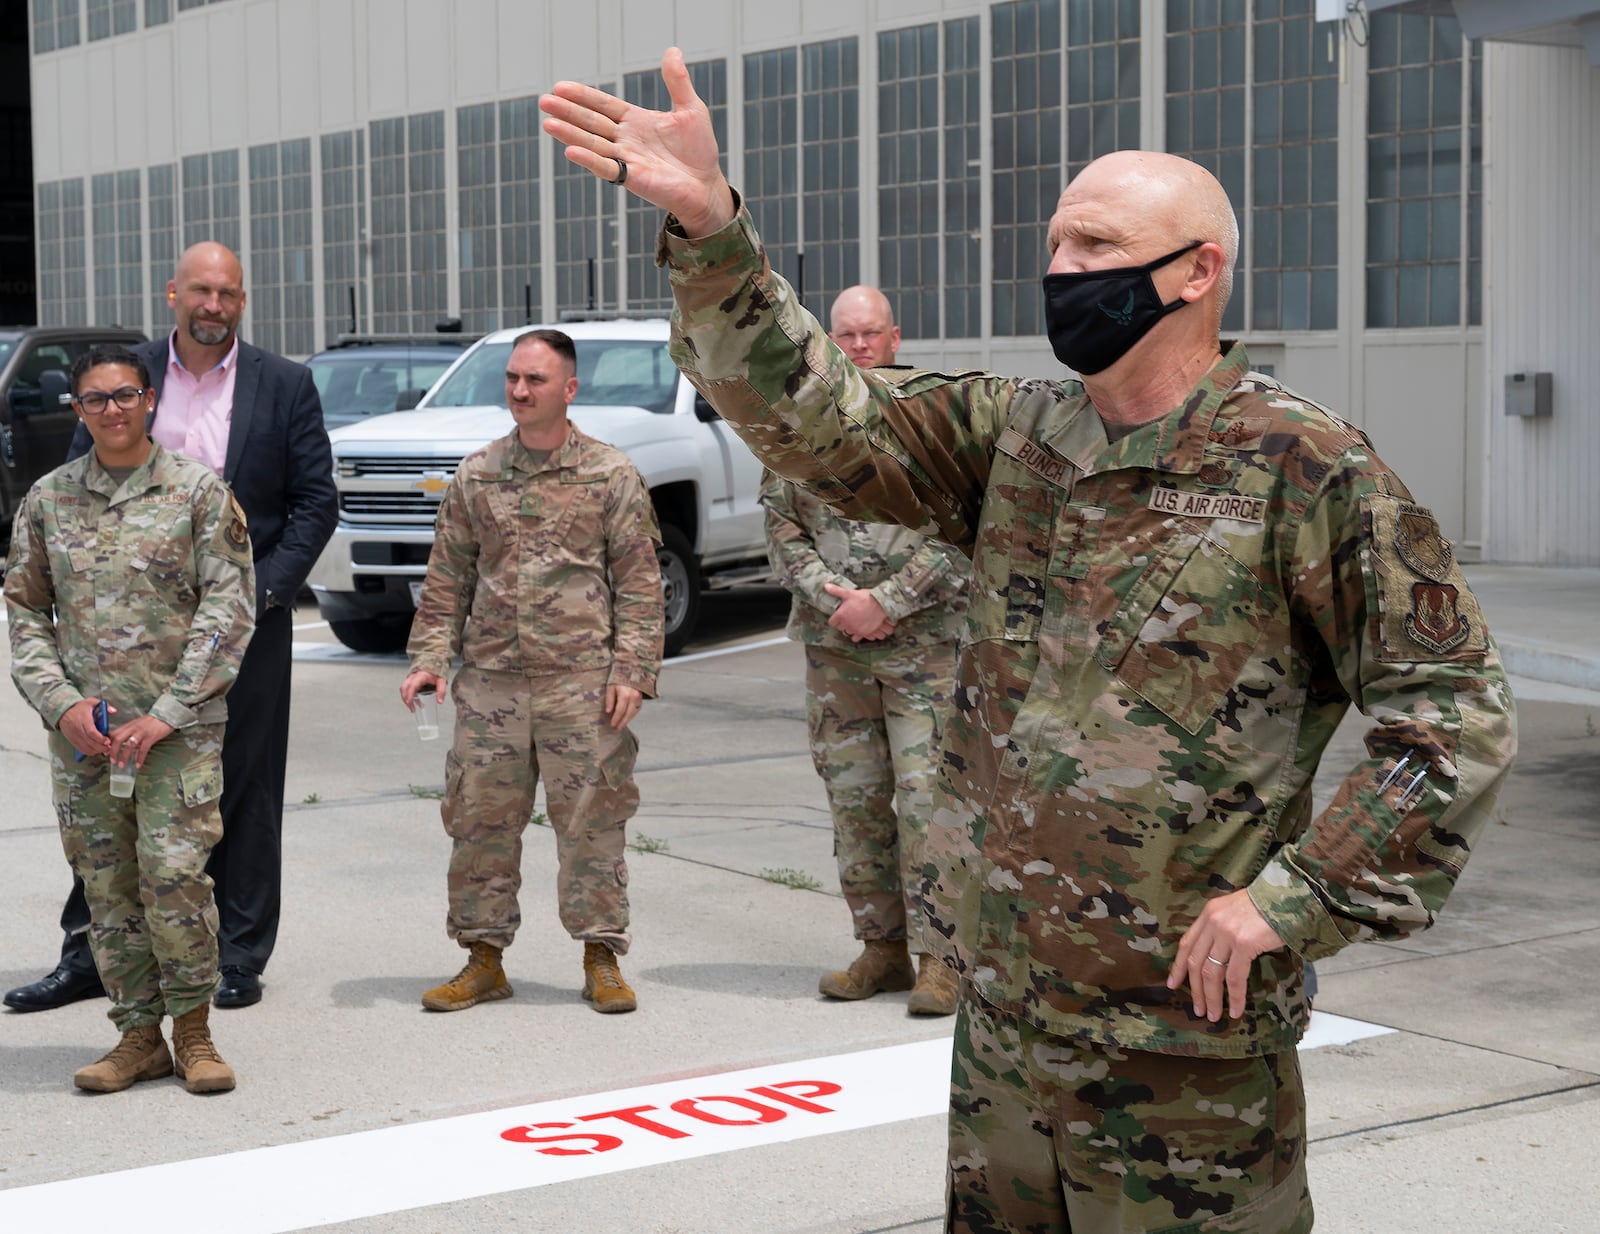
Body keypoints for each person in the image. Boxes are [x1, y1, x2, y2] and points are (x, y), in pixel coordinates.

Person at [541, 54, 1518, 1232]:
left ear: (1198, 270)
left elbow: (1452, 716)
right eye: (1056, 245)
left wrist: (1297, 899)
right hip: (1006, 1025)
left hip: (1184, 1053)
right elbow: (812, 413)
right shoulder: (1016, 439)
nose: (1063, 271)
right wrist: (709, 227)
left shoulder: (1299, 467)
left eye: (1097, 248)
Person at [3, 241, 337, 1014]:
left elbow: (316, 502)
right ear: (172, 294)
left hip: (244, 627)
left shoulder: (284, 385)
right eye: (200, 291)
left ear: (242, 301)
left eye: (227, 292)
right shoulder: (125, 378)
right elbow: (85, 487)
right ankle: (89, 953)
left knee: (244, 789)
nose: (212, 304)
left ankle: (238, 953)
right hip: (126, 631)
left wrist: (261, 596)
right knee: (105, 791)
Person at [4, 345, 256, 1092]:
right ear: (76, 410)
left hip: (176, 736)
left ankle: (197, 1034)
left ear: (149, 400)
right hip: (87, 740)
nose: (111, 410)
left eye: (123, 395)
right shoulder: (48, 500)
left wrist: (171, 711)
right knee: (108, 888)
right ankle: (138, 1037)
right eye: (94, 399)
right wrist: (62, 704)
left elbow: (228, 609)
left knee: (175, 879)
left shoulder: (198, 494)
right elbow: (23, 610)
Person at [401, 328, 664, 1016]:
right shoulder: (477, 473)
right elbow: (448, 577)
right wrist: (430, 660)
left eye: (535, 380)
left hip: (582, 684)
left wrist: (632, 670)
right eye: (513, 378)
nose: (520, 391)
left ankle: (601, 956)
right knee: (480, 822)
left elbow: (640, 581)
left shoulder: (610, 474)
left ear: (569, 389)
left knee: (592, 823)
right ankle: (483, 958)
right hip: (491, 685)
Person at [762, 285, 969, 1016]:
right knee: (855, 802)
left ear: (895, 337)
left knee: (928, 802)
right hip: (836, 653)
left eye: (870, 334)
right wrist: (837, 600)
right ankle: (879, 946)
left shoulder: (933, 422)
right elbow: (781, 526)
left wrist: (890, 600)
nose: (857, 347)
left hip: (924, 654)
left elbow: (965, 533)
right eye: (845, 335)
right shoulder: (799, 426)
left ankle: (941, 958)